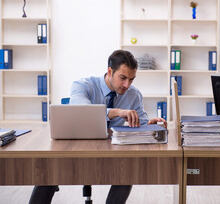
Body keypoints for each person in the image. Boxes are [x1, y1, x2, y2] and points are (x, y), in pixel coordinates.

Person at [29, 50, 167, 204]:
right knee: (47, 172)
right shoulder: (82, 85)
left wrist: (150, 126)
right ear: (110, 71)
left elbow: (140, 124)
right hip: (77, 147)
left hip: (112, 150)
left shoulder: (134, 94)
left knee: (127, 170)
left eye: (131, 79)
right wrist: (116, 112)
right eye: (123, 78)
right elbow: (83, 113)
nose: (127, 85)